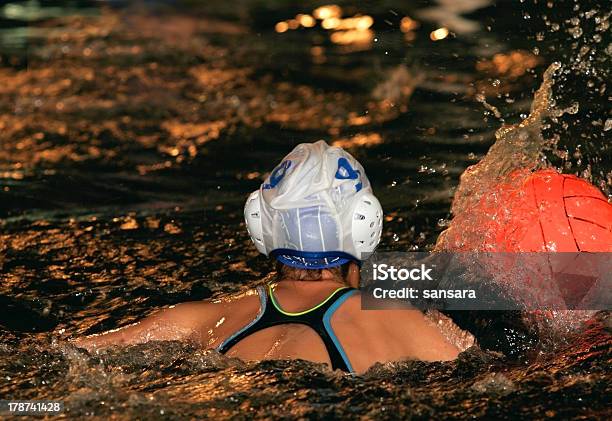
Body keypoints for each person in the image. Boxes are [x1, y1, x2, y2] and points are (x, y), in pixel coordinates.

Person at [73, 141, 461, 373]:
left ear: (260, 224)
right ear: (366, 224)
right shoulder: (399, 319)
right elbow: (498, 376)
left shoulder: (198, 318)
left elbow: (70, 353)